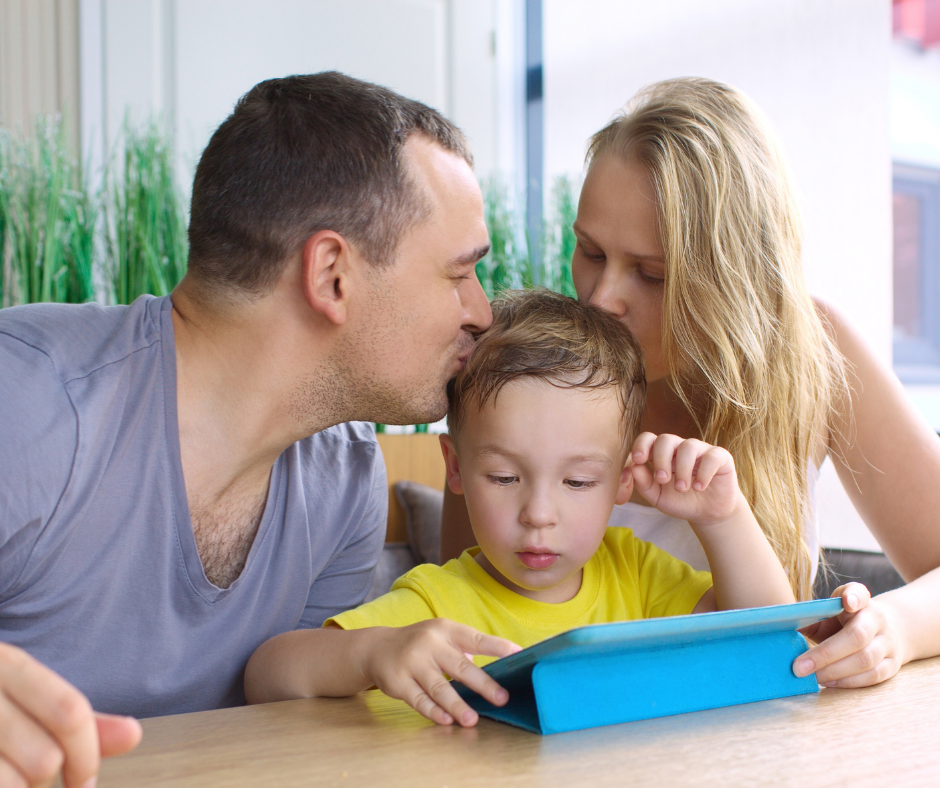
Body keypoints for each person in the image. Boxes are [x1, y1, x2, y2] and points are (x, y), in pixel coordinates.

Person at [0, 72, 493, 788]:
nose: (481, 311)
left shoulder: (346, 482)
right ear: (332, 275)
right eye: (459, 276)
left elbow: (300, 739)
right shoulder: (30, 402)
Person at [442, 76, 940, 691]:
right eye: (590, 251)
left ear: (735, 278)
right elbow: (465, 601)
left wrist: (895, 627)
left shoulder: (815, 350)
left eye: (652, 274)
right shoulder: (524, 378)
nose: (601, 299)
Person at [244, 289, 796, 726]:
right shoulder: (437, 603)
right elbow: (266, 674)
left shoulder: (636, 574)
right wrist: (373, 653)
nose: (538, 513)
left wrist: (722, 519)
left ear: (623, 479)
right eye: (505, 476)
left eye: (578, 481)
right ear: (455, 467)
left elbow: (770, 642)